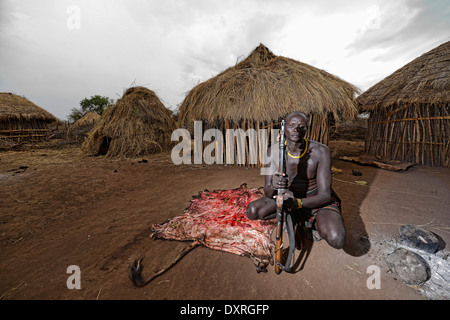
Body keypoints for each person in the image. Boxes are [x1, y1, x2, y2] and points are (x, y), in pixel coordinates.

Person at [246, 111, 346, 249]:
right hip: (288, 198)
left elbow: (325, 195)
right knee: (253, 211)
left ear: (306, 129)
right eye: (291, 125)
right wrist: (274, 185)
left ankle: (312, 221)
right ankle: (300, 219)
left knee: (337, 239)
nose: (295, 129)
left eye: (301, 126)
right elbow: (268, 192)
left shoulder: (321, 151)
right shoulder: (273, 152)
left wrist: (298, 203)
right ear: (284, 128)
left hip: (315, 199)